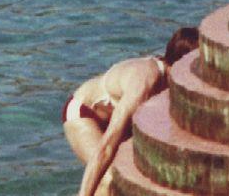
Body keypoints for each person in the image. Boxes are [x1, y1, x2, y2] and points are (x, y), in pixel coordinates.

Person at [63, 27, 199, 196]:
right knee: (110, 179)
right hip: (85, 114)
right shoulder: (145, 82)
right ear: (182, 65)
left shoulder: (174, 86)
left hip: (119, 121)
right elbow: (107, 147)